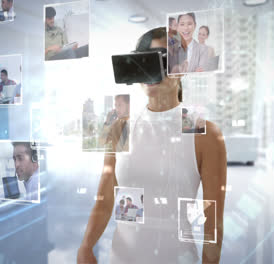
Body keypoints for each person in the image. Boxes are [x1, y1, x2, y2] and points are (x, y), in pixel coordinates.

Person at [77, 27, 226, 264]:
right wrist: (85, 247)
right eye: (145, 59)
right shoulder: (121, 128)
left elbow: (213, 219)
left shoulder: (203, 133)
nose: (152, 69)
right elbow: (105, 200)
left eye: (162, 59)